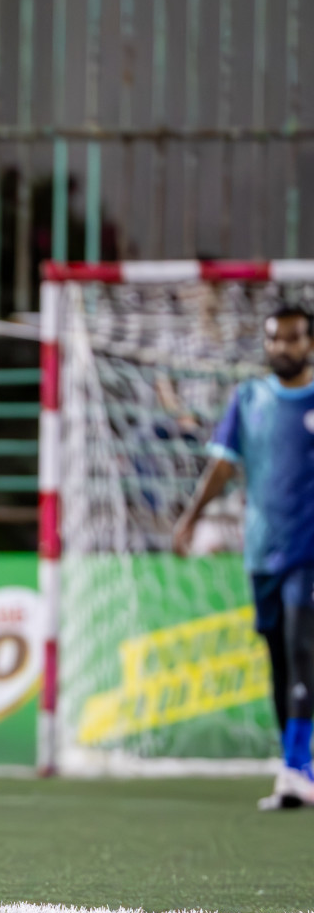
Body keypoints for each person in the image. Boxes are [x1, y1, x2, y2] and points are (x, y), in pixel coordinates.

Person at [173, 306, 314, 809]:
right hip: (263, 553)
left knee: (303, 652)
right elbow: (222, 466)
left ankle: (296, 769)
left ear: (310, 344)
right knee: (280, 659)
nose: (282, 348)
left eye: (293, 339)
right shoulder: (249, 397)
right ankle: (299, 764)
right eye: (275, 339)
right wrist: (190, 517)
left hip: (308, 555)